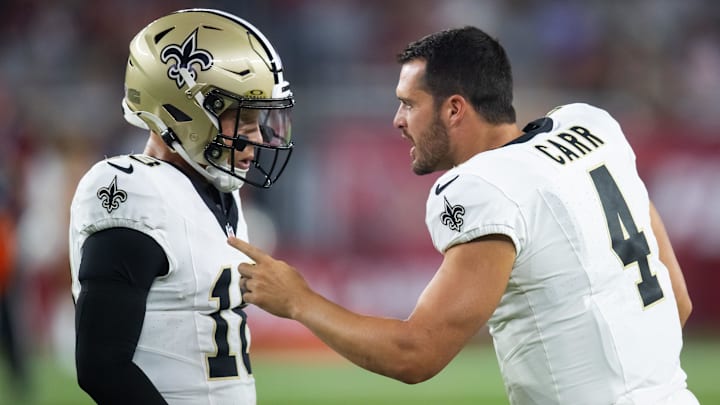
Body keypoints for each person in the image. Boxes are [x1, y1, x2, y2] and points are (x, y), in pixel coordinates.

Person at [228, 26, 699, 405]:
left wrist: (299, 301)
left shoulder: (482, 185)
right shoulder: (593, 128)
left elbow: (416, 354)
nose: (397, 119)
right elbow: (677, 303)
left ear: (455, 109)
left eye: (409, 103)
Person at [69, 8, 294, 405]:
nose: (258, 138)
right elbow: (102, 365)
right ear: (185, 111)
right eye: (243, 123)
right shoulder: (135, 190)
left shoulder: (220, 193)